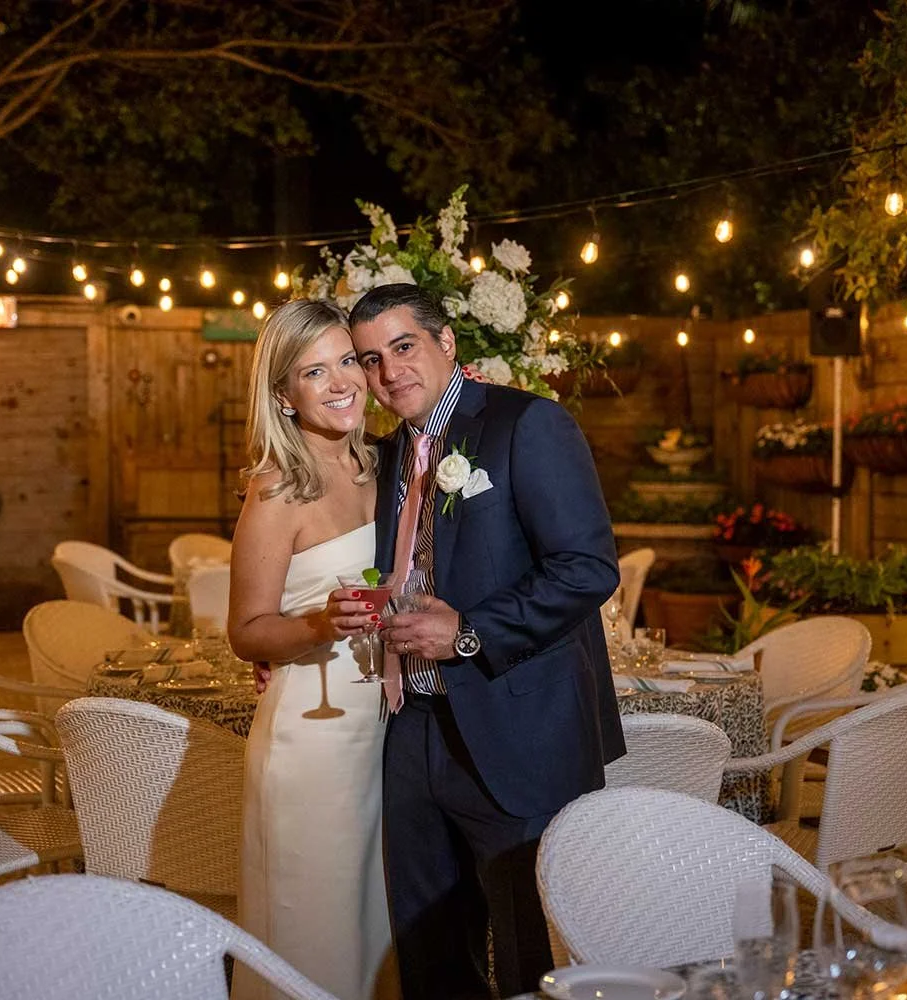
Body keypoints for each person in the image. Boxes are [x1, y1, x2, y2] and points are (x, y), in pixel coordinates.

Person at [334, 283, 626, 1000]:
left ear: (447, 343)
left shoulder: (527, 424)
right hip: (413, 729)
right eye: (370, 360)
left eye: (403, 347)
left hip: (517, 726)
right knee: (429, 950)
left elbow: (588, 568)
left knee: (532, 951)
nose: (388, 372)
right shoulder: (388, 456)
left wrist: (469, 632)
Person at [227, 299, 394, 1000]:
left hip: (386, 730)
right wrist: (320, 626)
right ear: (284, 397)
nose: (340, 382)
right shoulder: (275, 490)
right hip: (312, 741)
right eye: (313, 371)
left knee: (376, 923)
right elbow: (246, 632)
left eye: (348, 361)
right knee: (314, 924)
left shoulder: (388, 469)